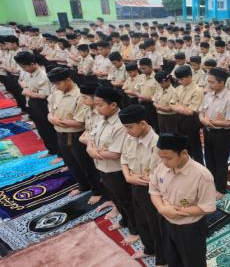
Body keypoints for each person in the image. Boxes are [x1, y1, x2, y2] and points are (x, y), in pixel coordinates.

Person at [149, 133, 216, 267]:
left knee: (193, 260)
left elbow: (207, 207)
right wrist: (162, 209)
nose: (164, 162)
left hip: (189, 227)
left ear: (184, 153)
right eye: (161, 158)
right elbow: (154, 190)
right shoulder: (162, 166)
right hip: (165, 220)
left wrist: (177, 212)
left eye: (168, 158)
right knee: (171, 255)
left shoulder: (202, 175)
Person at [86, 86, 138, 243]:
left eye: (100, 105)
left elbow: (116, 153)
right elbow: (90, 138)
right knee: (116, 198)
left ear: (113, 105)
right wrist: (91, 148)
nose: (97, 108)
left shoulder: (121, 124)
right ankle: (125, 221)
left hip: (117, 170)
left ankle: (136, 230)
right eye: (96, 105)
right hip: (103, 167)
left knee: (126, 200)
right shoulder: (101, 119)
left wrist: (94, 152)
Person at [47, 67, 104, 204]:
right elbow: (50, 108)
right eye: (54, 84)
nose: (56, 87)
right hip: (61, 133)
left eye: (59, 83)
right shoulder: (57, 92)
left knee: (86, 164)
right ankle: (83, 185)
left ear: (68, 80)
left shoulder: (80, 95)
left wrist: (57, 121)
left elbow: (79, 122)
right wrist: (50, 117)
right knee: (72, 163)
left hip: (75, 135)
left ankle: (98, 191)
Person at [119, 104, 166, 263]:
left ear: (143, 124)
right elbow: (124, 158)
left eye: (130, 127)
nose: (127, 131)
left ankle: (162, 258)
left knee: (155, 224)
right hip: (134, 185)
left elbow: (155, 175)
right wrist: (127, 176)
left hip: (151, 191)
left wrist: (134, 178)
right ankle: (149, 248)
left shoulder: (157, 144)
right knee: (141, 220)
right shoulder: (130, 137)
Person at [14, 51, 60, 162]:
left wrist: (29, 93)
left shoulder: (43, 76)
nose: (23, 69)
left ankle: (60, 153)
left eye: (24, 66)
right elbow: (25, 85)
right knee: (41, 129)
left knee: (49, 129)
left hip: (43, 105)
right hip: (33, 104)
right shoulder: (30, 74)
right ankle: (51, 149)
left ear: (32, 64)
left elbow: (46, 95)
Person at [200, 67, 230, 199]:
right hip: (208, 131)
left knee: (220, 162)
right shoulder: (208, 95)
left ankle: (221, 189)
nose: (209, 85)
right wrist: (204, 120)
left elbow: (229, 123)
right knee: (209, 159)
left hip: (221, 135)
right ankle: (211, 184)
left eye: (212, 82)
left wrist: (211, 122)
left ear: (221, 82)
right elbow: (201, 113)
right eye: (208, 82)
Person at [171, 65, 204, 164]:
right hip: (179, 119)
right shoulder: (178, 88)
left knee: (194, 146)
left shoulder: (197, 90)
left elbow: (190, 111)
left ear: (189, 76)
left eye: (181, 79)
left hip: (192, 121)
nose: (179, 82)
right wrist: (181, 107)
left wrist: (178, 106)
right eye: (178, 79)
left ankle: (200, 167)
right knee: (182, 144)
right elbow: (171, 104)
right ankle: (186, 164)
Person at [135, 58, 160, 133]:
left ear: (151, 67)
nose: (142, 70)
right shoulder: (141, 76)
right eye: (141, 69)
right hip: (141, 103)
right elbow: (136, 89)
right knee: (145, 123)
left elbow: (158, 94)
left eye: (144, 68)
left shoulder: (157, 78)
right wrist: (139, 96)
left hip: (152, 105)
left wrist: (149, 98)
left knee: (155, 124)